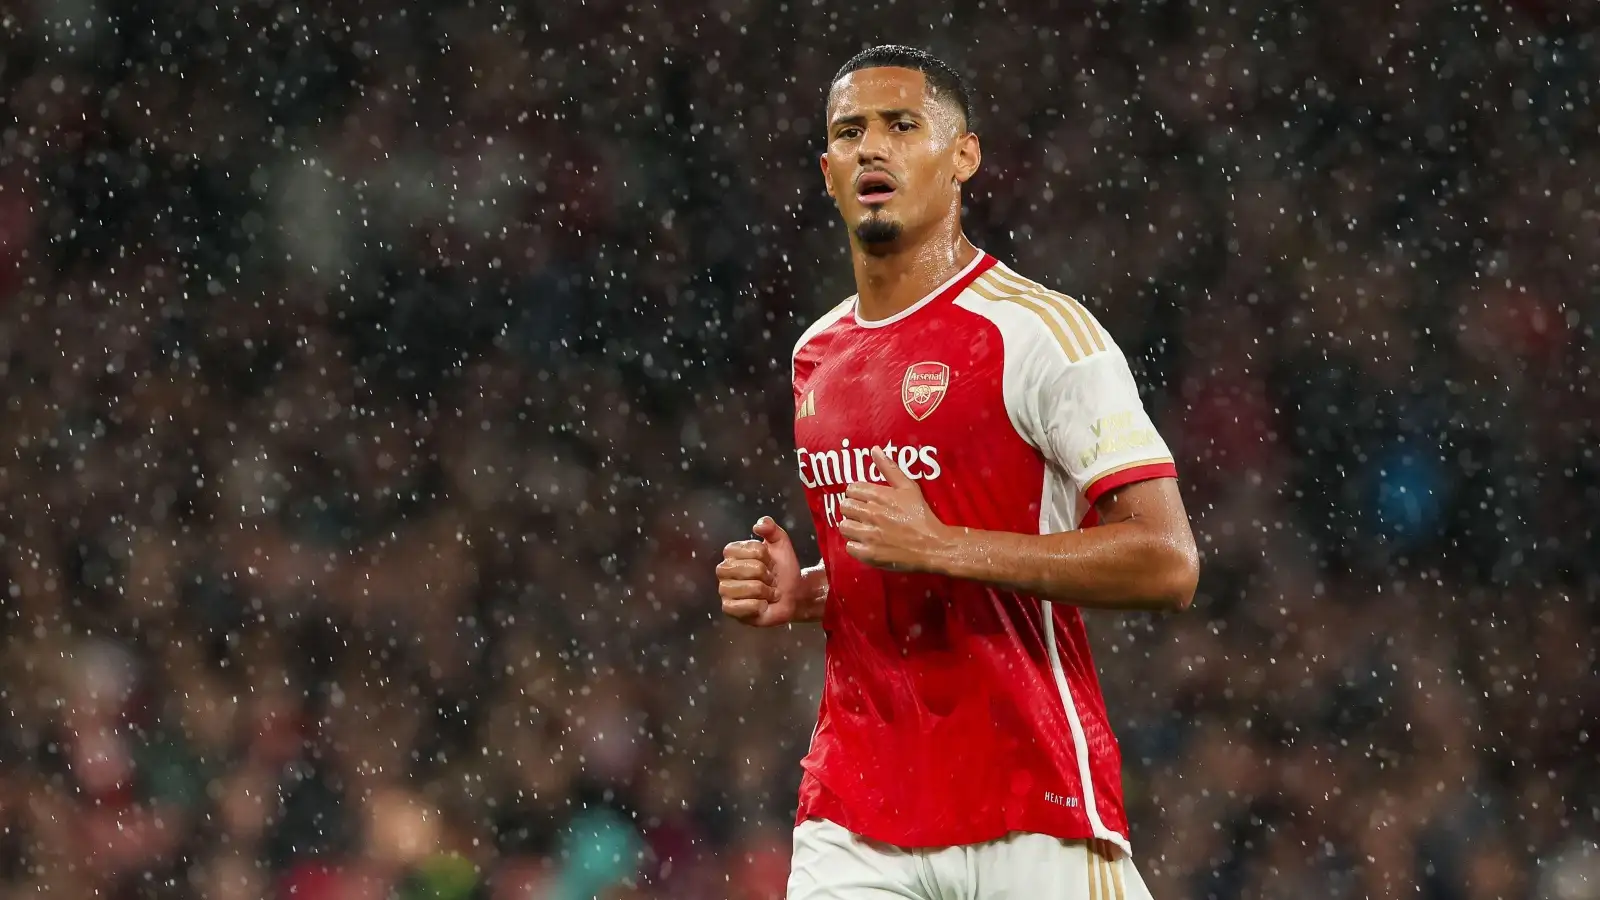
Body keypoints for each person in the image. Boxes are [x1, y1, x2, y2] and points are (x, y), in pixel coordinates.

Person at [717, 44, 1199, 899]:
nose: (873, 148)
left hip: (1029, 799)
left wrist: (945, 545)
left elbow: (1166, 562)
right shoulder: (815, 359)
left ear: (964, 155)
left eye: (902, 126)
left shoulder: (1042, 334)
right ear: (827, 171)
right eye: (851, 132)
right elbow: (899, 565)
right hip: (856, 813)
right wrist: (812, 593)